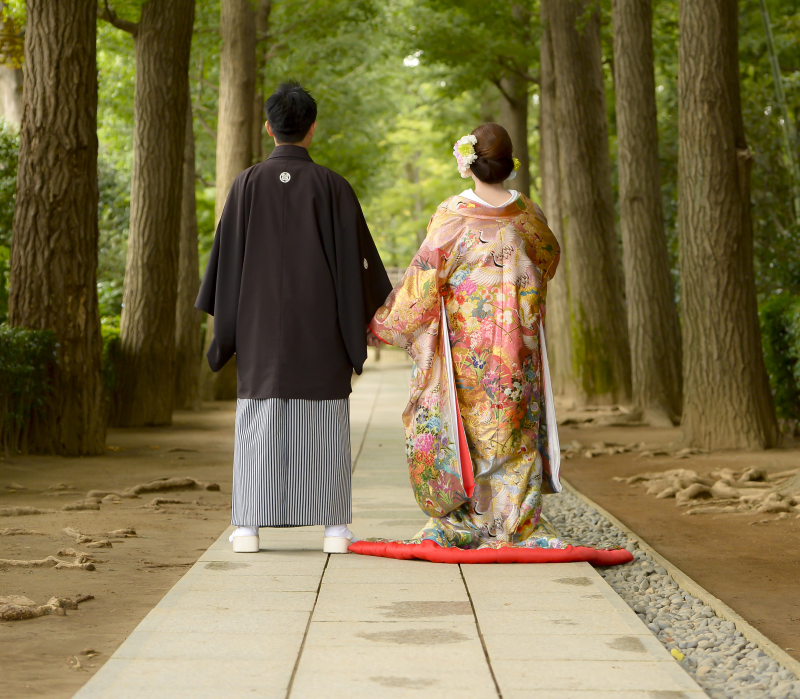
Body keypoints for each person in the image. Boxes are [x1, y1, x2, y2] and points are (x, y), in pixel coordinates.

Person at [355, 123, 631, 566]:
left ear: (466, 164)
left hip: (467, 347)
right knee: (514, 429)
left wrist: (381, 322)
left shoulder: (451, 216)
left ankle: (463, 519)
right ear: (508, 165)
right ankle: (514, 522)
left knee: (465, 429)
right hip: (517, 346)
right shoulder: (528, 215)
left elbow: (422, 284)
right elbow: (549, 259)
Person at [196, 82, 392, 554]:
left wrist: (228, 331)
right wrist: (361, 321)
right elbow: (357, 264)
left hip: (260, 330)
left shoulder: (244, 185)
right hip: (321, 331)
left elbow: (226, 265)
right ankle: (334, 529)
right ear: (312, 129)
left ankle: (247, 526)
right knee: (324, 424)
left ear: (269, 127)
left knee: (257, 422)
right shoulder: (333, 186)